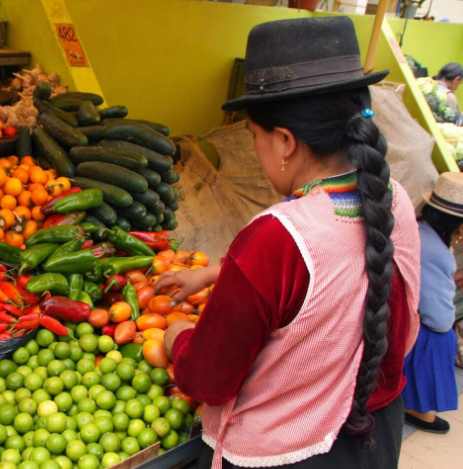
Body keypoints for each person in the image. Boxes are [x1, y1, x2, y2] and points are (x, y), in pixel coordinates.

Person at [157, 17, 421, 469]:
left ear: (284, 141)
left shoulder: (274, 238)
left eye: (253, 136)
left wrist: (178, 337)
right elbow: (340, 266)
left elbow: (209, 381)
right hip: (375, 438)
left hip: (290, 454)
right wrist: (221, 271)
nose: (257, 149)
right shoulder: (391, 199)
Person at [401, 173, 462, 433]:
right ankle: (414, 405)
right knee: (442, 336)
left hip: (392, 312)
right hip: (404, 323)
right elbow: (438, 319)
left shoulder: (419, 229)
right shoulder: (437, 253)